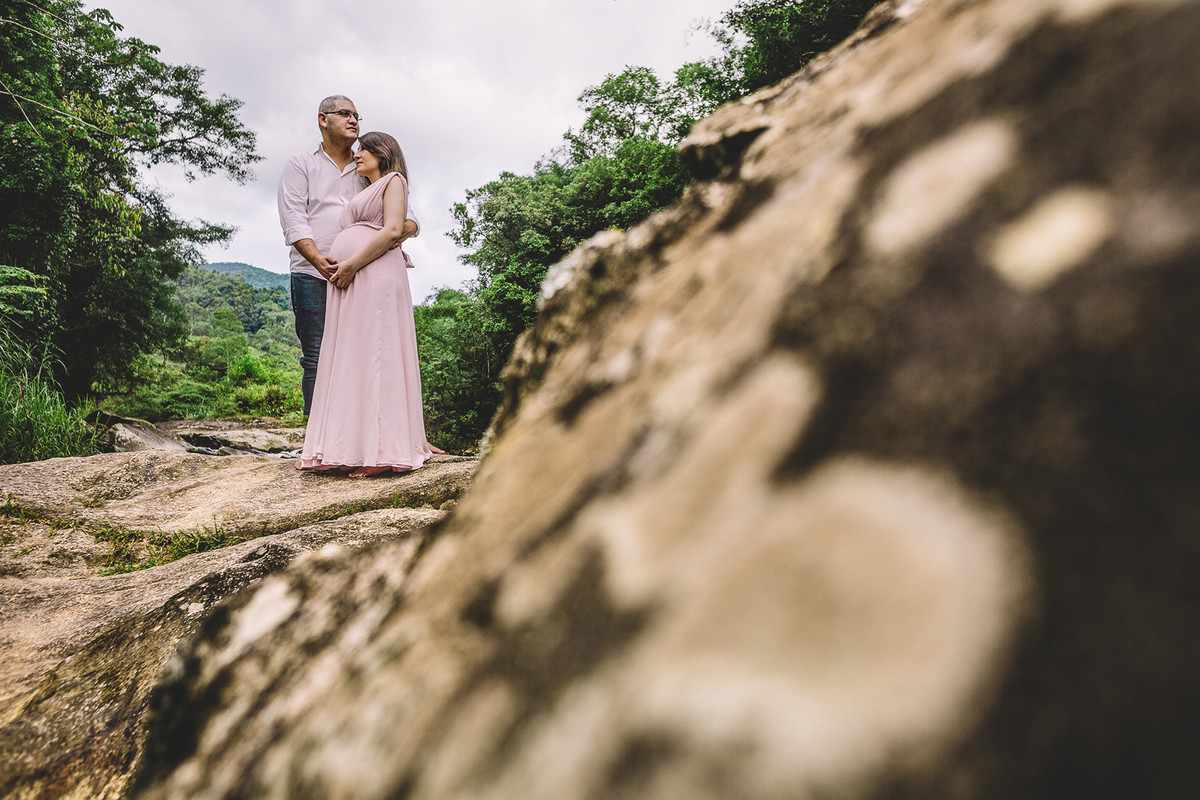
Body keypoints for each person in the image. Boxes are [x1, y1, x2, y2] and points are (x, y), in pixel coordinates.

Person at [297, 132, 431, 476]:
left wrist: (352, 263)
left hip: (371, 275)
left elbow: (392, 231)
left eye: (364, 150)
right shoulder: (367, 185)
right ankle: (349, 447)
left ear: (381, 152)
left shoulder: (394, 181)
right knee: (352, 357)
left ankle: (383, 453)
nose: (357, 155)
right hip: (354, 278)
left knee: (378, 354)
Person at [277, 95, 418, 415]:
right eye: (344, 114)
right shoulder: (301, 164)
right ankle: (317, 443)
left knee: (362, 354)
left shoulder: (367, 164)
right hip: (312, 274)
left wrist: (391, 238)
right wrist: (319, 260)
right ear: (323, 120)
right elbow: (294, 218)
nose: (353, 119)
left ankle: (360, 441)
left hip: (362, 275)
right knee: (316, 356)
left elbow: (407, 219)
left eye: (357, 115)